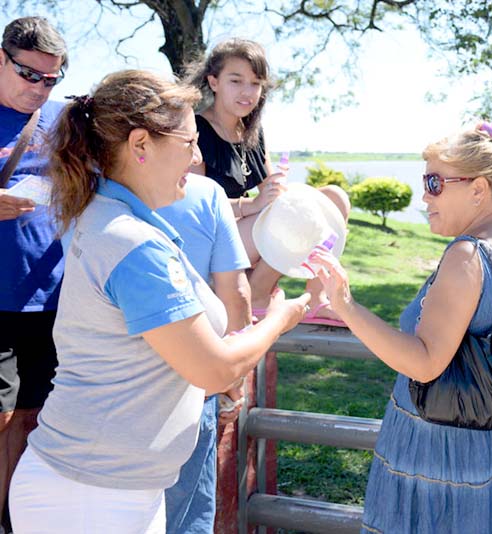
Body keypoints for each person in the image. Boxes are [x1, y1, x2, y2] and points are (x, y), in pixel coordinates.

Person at [8, 70, 309, 533]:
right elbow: (212, 369)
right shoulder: (134, 244)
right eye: (189, 143)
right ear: (141, 145)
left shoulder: (114, 217)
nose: (196, 157)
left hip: (100, 487)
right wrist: (279, 321)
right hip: (93, 497)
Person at [311, 122, 492, 533]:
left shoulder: (466, 256)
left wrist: (346, 305)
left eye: (436, 183)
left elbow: (424, 363)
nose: (425, 196)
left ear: (478, 189)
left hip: (442, 452)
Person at [185, 38, 350, 323]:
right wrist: (252, 205)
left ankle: (319, 297)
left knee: (334, 198)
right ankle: (259, 294)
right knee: (288, 218)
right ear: (213, 82)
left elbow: (273, 193)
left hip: (247, 235)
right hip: (212, 240)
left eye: (255, 83)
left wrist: (282, 193)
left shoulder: (252, 131)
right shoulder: (197, 129)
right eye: (236, 81)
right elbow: (195, 206)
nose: (247, 92)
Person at [0, 16, 68, 532]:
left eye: (52, 79)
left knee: (34, 417)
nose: (41, 89)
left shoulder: (65, 121)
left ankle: (18, 518)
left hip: (51, 299)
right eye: (31, 76)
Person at [157, 173, 252, 534]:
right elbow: (236, 293)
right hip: (193, 382)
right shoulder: (206, 193)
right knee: (187, 513)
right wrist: (233, 380)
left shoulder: (85, 189)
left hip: (106, 390)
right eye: (190, 140)